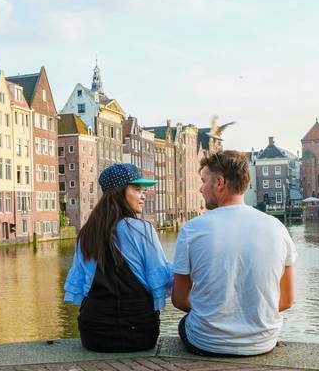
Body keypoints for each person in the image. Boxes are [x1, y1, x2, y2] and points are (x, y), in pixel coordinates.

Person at [171, 150, 297, 357]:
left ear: (219, 182)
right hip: (263, 341)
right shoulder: (277, 227)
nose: (201, 189)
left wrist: (216, 315)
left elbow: (180, 300)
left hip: (206, 341)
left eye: (204, 181)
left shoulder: (192, 229)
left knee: (186, 323)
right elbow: (286, 301)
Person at [64, 163, 173, 352]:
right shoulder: (142, 229)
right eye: (137, 189)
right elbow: (161, 278)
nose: (143, 195)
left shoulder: (86, 234)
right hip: (139, 333)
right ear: (121, 192)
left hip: (94, 334)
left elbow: (82, 287)